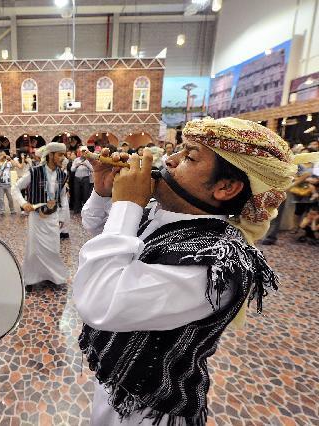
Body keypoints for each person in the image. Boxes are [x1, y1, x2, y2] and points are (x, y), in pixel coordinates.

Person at [73, 117, 318, 426]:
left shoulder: (217, 263)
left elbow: (98, 299)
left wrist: (126, 205)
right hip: (118, 383)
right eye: (178, 150)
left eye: (189, 157)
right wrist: (106, 192)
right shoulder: (167, 216)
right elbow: (96, 227)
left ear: (225, 187)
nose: (170, 160)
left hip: (149, 412)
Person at [12, 142, 69, 289]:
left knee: (53, 248)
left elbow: (62, 197)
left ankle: (53, 277)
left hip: (53, 217)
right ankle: (31, 280)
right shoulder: (34, 171)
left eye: (64, 154)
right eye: (60, 154)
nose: (63, 158)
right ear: (50, 155)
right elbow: (16, 188)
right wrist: (23, 203)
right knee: (34, 249)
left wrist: (63, 217)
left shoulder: (63, 174)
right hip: (37, 217)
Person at [71, 146, 94, 214]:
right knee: (76, 194)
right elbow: (72, 170)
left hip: (85, 178)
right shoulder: (76, 160)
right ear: (80, 152)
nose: (83, 153)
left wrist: (87, 165)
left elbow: (92, 169)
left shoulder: (89, 160)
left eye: (85, 152)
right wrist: (76, 165)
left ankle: (85, 210)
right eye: (82, 152)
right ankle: (76, 209)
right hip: (77, 178)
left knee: (85, 195)